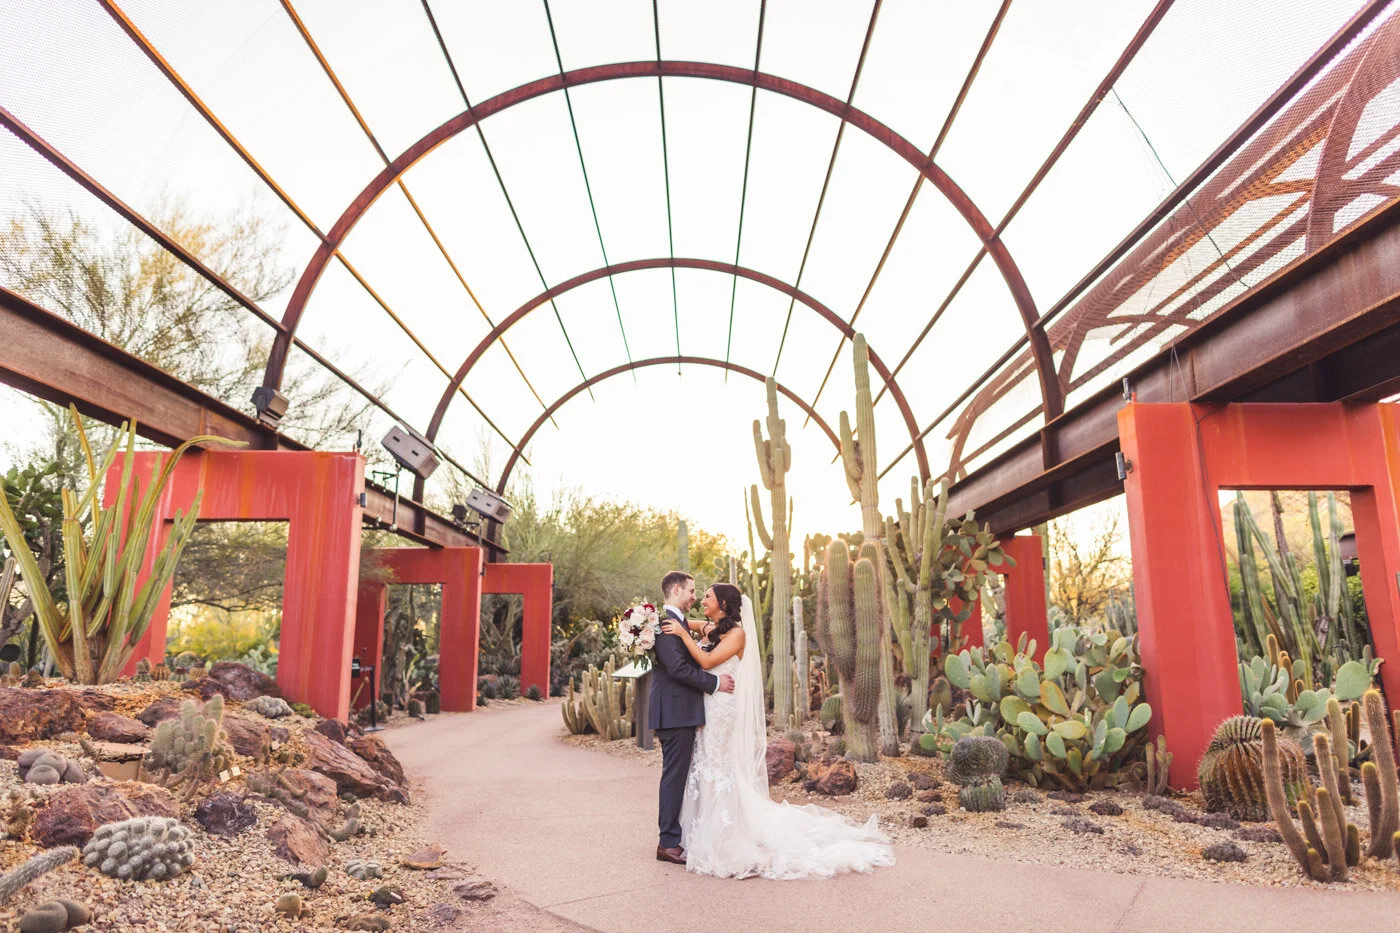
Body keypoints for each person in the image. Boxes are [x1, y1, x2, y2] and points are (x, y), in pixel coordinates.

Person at [660, 582, 895, 880]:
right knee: (705, 764)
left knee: (718, 766)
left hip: (721, 708)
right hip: (708, 705)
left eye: (707, 596)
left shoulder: (737, 635)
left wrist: (682, 634)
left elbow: (706, 661)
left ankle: (724, 833)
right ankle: (700, 828)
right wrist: (674, 622)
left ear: (723, 604)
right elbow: (690, 622)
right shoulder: (715, 629)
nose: (701, 600)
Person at [650, 570, 735, 865]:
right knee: (674, 776)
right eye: (691, 591)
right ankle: (668, 842)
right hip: (675, 712)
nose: (694, 596)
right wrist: (714, 683)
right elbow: (678, 669)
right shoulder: (665, 625)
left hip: (681, 711)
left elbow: (704, 630)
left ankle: (676, 837)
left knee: (679, 776)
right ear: (676, 590)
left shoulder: (678, 623)